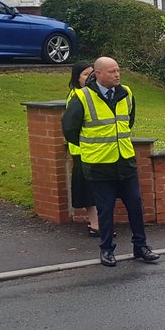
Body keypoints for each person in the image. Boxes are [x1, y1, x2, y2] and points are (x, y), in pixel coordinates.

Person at [61, 56, 159, 267]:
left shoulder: (126, 93)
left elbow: (128, 121)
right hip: (98, 164)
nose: (117, 75)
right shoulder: (82, 97)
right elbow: (69, 129)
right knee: (105, 210)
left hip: (125, 161)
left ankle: (141, 247)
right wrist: (92, 148)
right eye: (112, 71)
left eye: (118, 70)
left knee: (135, 206)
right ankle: (106, 250)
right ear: (98, 75)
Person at [65, 61, 102, 237]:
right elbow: (71, 128)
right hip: (81, 152)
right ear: (77, 78)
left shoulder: (93, 94)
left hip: (96, 150)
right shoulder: (77, 97)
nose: (90, 78)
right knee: (89, 190)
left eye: (92, 74)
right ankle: (95, 225)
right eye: (85, 75)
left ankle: (97, 223)